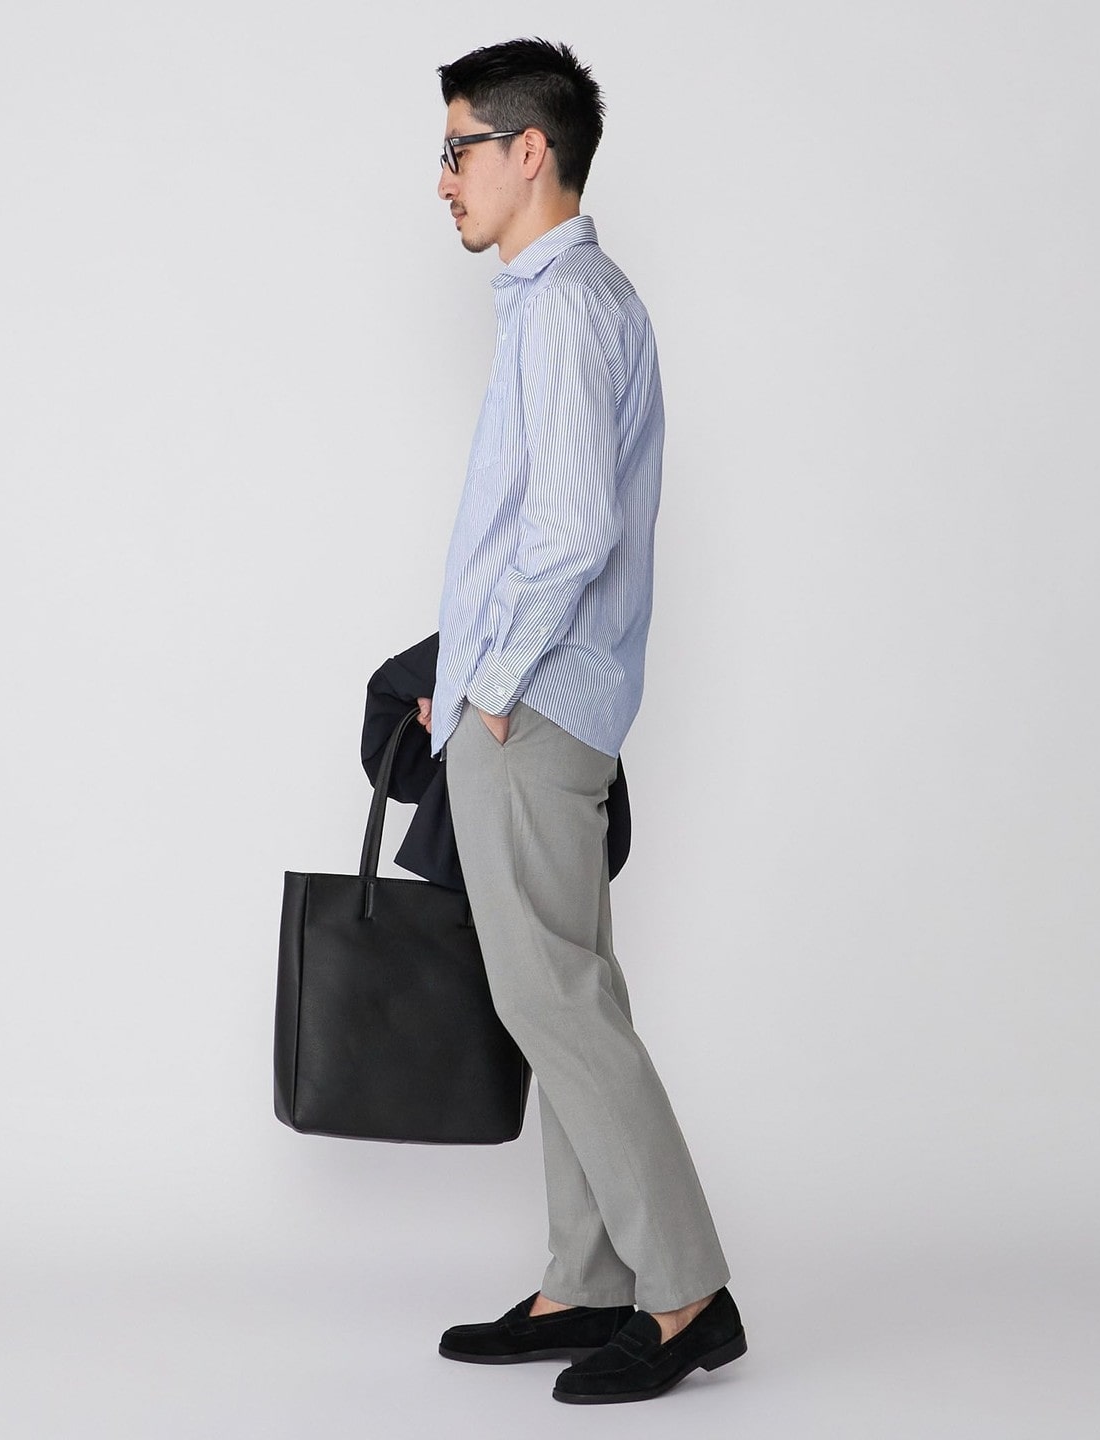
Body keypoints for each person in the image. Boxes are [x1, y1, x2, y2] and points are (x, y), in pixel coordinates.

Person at [414, 38, 747, 1405]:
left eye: (458, 150)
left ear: (528, 151)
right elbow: (537, 534)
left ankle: (684, 1294)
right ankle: (588, 1279)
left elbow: (567, 533)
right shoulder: (582, 299)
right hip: (544, 703)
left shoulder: (562, 308)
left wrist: (491, 685)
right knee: (567, 995)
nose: (443, 179)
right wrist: (462, 668)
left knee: (552, 1001)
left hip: (534, 712)